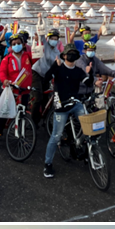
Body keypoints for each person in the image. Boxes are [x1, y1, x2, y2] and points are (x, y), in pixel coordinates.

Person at [42, 43, 92, 178]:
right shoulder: (58, 69)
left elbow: (88, 82)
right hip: (61, 105)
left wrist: (90, 72)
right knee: (56, 135)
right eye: (69, 53)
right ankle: (47, 164)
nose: (72, 56)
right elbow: (46, 78)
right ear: (64, 56)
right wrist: (54, 66)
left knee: (89, 127)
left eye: (74, 53)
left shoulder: (78, 70)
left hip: (75, 103)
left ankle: (87, 153)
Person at [0, 33, 32, 152]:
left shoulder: (28, 56)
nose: (16, 45)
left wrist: (39, 40)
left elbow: (39, 55)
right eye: (14, 44)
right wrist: (5, 81)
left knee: (23, 114)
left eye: (18, 43)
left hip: (24, 90)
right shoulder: (7, 58)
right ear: (11, 46)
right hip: (11, 90)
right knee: (2, 113)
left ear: (23, 44)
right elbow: (2, 72)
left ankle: (22, 135)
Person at [30, 28, 62, 125]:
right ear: (48, 39)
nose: (53, 40)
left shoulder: (57, 52)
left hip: (46, 76)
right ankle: (33, 121)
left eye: (55, 39)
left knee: (46, 98)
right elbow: (41, 34)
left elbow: (61, 64)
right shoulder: (45, 45)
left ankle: (45, 120)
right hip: (36, 72)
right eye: (52, 38)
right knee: (38, 97)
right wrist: (40, 19)